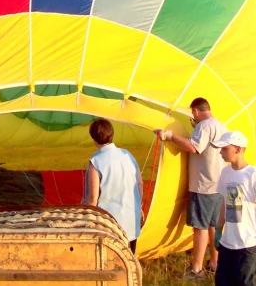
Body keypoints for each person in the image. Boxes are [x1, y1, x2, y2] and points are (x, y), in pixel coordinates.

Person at [156, 97, 227, 280]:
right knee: (213, 225)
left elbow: (194, 147)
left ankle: (196, 270)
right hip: (218, 184)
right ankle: (215, 263)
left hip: (203, 186)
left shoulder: (204, 126)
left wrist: (170, 136)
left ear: (195, 111)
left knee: (200, 228)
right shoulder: (221, 126)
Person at [211, 130, 256, 286]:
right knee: (222, 281)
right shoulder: (225, 173)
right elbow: (223, 202)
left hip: (247, 244)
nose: (221, 152)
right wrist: (219, 230)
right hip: (228, 242)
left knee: (245, 282)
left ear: (238, 149)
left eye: (225, 149)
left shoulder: (254, 174)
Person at [83, 118, 143, 253]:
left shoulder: (96, 161)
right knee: (129, 260)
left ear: (94, 138)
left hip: (109, 224)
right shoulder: (128, 155)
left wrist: (86, 219)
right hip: (131, 219)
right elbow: (139, 184)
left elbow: (93, 198)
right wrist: (139, 207)